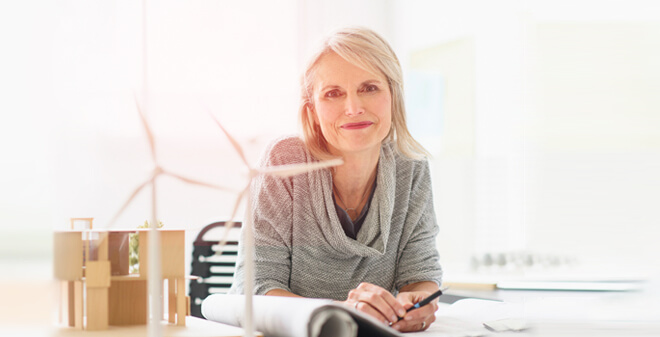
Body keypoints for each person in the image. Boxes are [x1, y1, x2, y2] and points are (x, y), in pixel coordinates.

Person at [229, 26, 442, 332]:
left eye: (369, 87)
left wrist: (418, 305)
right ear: (312, 110)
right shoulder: (285, 161)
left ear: (393, 95)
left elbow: (420, 273)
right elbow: (256, 289)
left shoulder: (411, 168)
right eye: (333, 94)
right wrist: (341, 312)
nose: (353, 108)